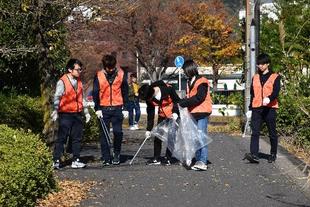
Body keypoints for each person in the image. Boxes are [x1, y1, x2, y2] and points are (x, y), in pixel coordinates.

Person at [51, 58, 91, 169]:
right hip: (66, 114)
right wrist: (55, 110)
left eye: (80, 69)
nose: (80, 71)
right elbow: (57, 97)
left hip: (77, 114)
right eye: (78, 69)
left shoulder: (79, 82)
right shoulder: (62, 81)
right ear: (70, 69)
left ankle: (76, 160)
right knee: (62, 138)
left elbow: (82, 98)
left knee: (77, 138)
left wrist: (86, 112)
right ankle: (56, 160)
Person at [93, 54, 129, 166]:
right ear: (104, 66)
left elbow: (125, 91)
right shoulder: (98, 75)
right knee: (104, 134)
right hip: (103, 108)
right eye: (108, 68)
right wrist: (97, 108)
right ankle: (106, 157)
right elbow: (95, 93)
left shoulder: (121, 74)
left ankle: (117, 153)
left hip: (117, 108)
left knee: (118, 132)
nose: (110, 70)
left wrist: (126, 108)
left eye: (112, 67)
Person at [244, 53, 281, 164]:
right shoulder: (255, 77)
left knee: (272, 132)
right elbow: (252, 93)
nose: (260, 66)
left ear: (267, 64)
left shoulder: (275, 77)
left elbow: (276, 91)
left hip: (269, 108)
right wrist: (250, 108)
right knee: (255, 132)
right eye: (258, 64)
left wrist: (269, 98)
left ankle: (273, 153)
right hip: (256, 108)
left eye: (262, 64)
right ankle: (254, 155)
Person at [179, 59, 212, 171]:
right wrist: (182, 102)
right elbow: (190, 97)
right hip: (193, 112)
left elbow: (199, 97)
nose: (184, 73)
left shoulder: (202, 81)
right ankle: (198, 160)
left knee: (201, 137)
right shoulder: (189, 82)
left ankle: (203, 161)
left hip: (202, 112)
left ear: (189, 69)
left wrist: (183, 103)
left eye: (184, 71)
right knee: (195, 138)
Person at [138, 80, 180, 165]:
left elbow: (177, 101)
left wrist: (175, 113)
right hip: (162, 115)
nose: (149, 100)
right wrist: (148, 129)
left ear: (152, 93)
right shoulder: (148, 95)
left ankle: (168, 158)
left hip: (173, 115)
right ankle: (156, 158)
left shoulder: (168, 89)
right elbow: (150, 112)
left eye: (149, 99)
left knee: (171, 136)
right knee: (157, 135)